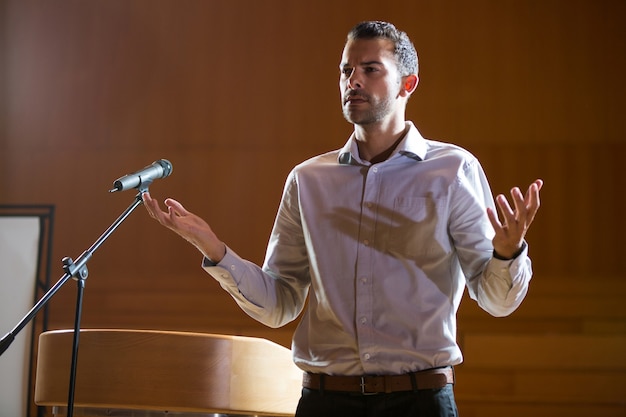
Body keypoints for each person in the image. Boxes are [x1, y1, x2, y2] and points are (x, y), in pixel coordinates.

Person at [143, 20, 542, 417]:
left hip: (419, 400)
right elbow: (281, 303)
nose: (353, 81)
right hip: (324, 401)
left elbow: (496, 301)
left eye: (371, 69)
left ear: (408, 84)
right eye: (346, 70)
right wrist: (213, 248)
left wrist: (507, 253)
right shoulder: (308, 179)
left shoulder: (452, 170)